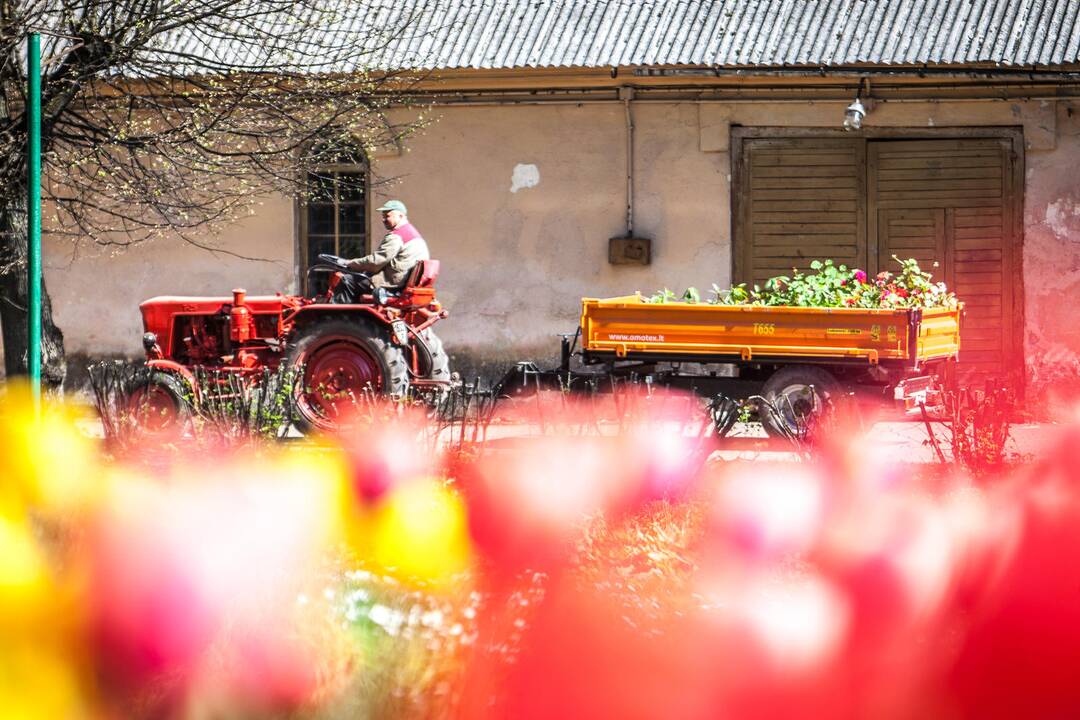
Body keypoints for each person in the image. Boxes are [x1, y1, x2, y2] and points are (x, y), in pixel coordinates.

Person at [334, 199, 430, 302]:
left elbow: (376, 262)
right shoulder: (413, 233)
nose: (383, 219)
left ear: (400, 216)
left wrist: (349, 263)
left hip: (392, 283)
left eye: (387, 216)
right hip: (402, 281)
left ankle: (338, 316)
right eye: (383, 216)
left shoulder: (397, 236)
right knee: (360, 278)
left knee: (346, 280)